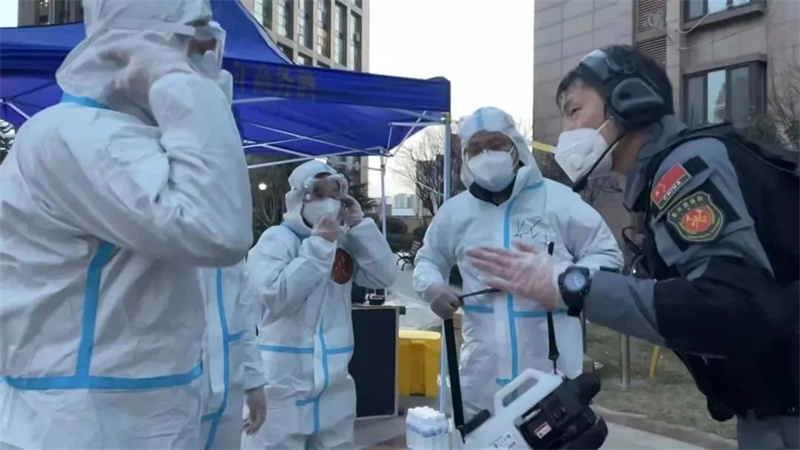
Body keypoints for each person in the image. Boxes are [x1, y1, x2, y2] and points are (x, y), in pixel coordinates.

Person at [468, 45, 799, 449]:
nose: (567, 133)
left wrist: (571, 285)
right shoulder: (671, 173)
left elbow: (734, 306)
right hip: (772, 408)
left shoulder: (688, 168)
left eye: (575, 111)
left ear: (629, 100)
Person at [0, 0, 252, 448]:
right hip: (86, 422)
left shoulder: (132, 139)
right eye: (191, 42)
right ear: (140, 44)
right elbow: (216, 229)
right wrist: (173, 80)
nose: (204, 57)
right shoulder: (71, 134)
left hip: (141, 412)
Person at [412, 106, 623, 420]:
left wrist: (561, 282)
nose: (486, 155)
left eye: (495, 144)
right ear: (465, 156)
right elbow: (428, 259)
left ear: (516, 146)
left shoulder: (559, 201)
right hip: (481, 379)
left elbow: (608, 257)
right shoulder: (455, 213)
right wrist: (433, 288)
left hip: (552, 375)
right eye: (476, 149)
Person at [242, 161, 398, 449]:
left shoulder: (344, 243)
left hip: (335, 383)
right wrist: (318, 247)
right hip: (282, 384)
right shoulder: (276, 240)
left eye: (335, 192)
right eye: (318, 193)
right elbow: (277, 298)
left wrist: (361, 227)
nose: (328, 201)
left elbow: (384, 275)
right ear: (298, 199)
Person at [199, 263, 267, 450]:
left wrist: (254, 383)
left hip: (228, 391)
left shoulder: (234, 259)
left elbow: (244, 318)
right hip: (169, 391)